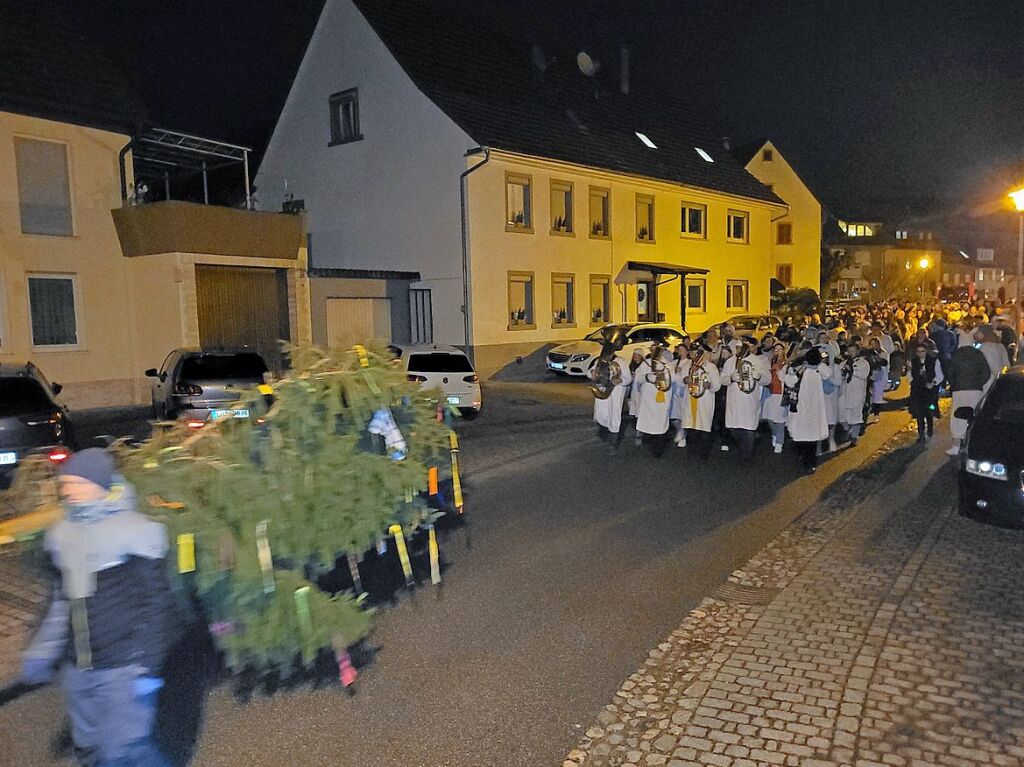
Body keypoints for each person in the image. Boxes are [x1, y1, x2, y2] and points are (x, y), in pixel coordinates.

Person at [22, 449, 175, 767]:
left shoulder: (134, 531)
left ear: (100, 484)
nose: (69, 491)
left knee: (125, 751)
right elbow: (63, 602)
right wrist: (41, 650)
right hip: (79, 667)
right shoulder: (64, 534)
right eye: (66, 484)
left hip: (123, 666)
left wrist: (148, 665)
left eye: (78, 483)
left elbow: (157, 605)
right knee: (88, 748)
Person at [785, 347, 831, 472]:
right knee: (799, 436)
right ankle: (802, 457)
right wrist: (800, 368)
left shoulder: (818, 370)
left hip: (813, 409)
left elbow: (828, 374)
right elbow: (789, 381)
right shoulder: (799, 369)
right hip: (800, 407)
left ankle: (810, 462)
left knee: (811, 439)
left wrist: (818, 364)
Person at [720, 335, 766, 456]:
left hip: (749, 401)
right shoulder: (730, 362)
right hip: (734, 402)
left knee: (748, 429)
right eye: (738, 348)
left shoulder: (757, 360)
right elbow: (722, 379)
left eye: (742, 347)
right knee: (733, 429)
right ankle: (742, 449)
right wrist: (730, 378)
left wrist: (759, 376)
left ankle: (747, 455)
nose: (740, 350)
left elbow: (768, 380)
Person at [945, 334, 990, 456]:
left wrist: (954, 385)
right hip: (976, 390)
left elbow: (950, 372)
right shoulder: (978, 354)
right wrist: (978, 383)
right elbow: (986, 372)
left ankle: (956, 445)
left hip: (959, 391)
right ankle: (973, 443)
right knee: (974, 416)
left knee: (957, 416)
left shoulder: (957, 354)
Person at [678, 343, 721, 460]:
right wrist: (684, 380)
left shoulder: (711, 367)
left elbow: (717, 385)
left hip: (704, 400)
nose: (693, 354)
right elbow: (679, 380)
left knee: (703, 429)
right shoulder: (687, 365)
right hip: (690, 400)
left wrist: (710, 385)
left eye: (696, 352)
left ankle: (704, 454)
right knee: (690, 429)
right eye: (692, 352)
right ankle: (691, 453)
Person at [590, 344, 634, 453]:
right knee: (601, 414)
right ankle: (605, 432)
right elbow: (591, 372)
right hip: (603, 390)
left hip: (616, 391)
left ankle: (613, 443)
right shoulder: (599, 361)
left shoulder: (621, 361)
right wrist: (592, 373)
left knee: (614, 416)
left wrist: (620, 381)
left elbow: (628, 379)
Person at [633, 344, 675, 456]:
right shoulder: (645, 363)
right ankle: (649, 441)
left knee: (660, 422)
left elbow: (673, 379)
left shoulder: (667, 364)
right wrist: (647, 377)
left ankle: (659, 447)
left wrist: (662, 376)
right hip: (648, 399)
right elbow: (638, 378)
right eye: (652, 351)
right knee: (648, 421)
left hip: (661, 399)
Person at [907, 343, 943, 442]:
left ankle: (930, 428)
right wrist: (913, 382)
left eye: (922, 351)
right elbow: (909, 374)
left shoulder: (934, 361)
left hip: (929, 391)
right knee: (919, 413)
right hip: (917, 390)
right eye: (918, 351)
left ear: (926, 351)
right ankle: (921, 434)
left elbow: (939, 375)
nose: (920, 354)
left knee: (928, 411)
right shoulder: (913, 362)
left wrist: (933, 383)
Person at [838, 342, 871, 447]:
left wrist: (851, 370)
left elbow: (863, 374)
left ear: (857, 351)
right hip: (844, 393)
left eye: (853, 351)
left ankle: (854, 437)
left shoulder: (863, 363)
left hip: (856, 393)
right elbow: (839, 374)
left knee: (855, 415)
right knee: (842, 415)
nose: (851, 353)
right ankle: (847, 430)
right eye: (850, 351)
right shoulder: (844, 363)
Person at [763, 343, 790, 454]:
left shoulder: (786, 364)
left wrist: (779, 370)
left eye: (780, 349)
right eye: (776, 349)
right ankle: (774, 434)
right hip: (770, 393)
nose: (777, 352)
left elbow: (786, 378)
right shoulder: (769, 362)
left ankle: (779, 442)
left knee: (779, 420)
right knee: (769, 418)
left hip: (780, 394)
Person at [975, 324, 1010, 391]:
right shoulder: (1000, 346)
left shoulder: (984, 347)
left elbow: (990, 365)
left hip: (988, 381)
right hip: (1000, 380)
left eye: (978, 332)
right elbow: (1006, 364)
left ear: (983, 334)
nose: (976, 334)